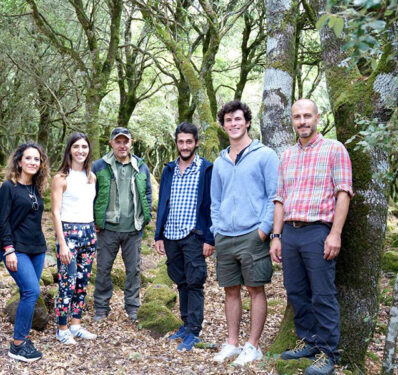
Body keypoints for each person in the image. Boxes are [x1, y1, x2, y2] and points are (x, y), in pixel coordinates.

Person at [270, 99, 353, 375]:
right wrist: (277, 236)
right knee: (296, 292)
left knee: (323, 294)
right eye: (297, 117)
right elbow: (280, 199)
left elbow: (343, 192)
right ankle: (309, 341)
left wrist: (335, 234)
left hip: (318, 232)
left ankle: (328, 354)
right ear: (291, 121)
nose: (302, 121)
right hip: (290, 233)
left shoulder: (334, 150)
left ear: (318, 117)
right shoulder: (287, 156)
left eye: (307, 116)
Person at [209, 101, 279, 366]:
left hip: (253, 233)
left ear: (247, 122)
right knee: (230, 291)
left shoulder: (265, 155)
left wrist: (263, 230)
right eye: (228, 120)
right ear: (224, 125)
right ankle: (232, 343)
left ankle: (253, 346)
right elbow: (215, 201)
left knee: (255, 289)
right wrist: (216, 229)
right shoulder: (219, 162)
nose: (233, 124)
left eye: (238, 119)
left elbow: (274, 196)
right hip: (225, 235)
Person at [154, 122, 214, 352]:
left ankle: (194, 331)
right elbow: (163, 204)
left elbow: (211, 205)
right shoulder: (169, 169)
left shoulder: (206, 169)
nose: (185, 145)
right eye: (181, 141)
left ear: (196, 143)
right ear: (176, 143)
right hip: (171, 235)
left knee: (195, 281)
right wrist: (158, 235)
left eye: (189, 141)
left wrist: (210, 238)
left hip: (194, 235)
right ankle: (186, 324)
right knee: (180, 281)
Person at [92, 127, 152, 322]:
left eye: (125, 141)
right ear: (111, 143)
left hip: (133, 229)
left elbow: (148, 193)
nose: (122, 145)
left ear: (131, 143)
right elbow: (92, 193)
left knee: (133, 270)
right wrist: (95, 219)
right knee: (103, 269)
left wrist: (145, 218)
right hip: (107, 228)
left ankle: (133, 308)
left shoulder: (140, 166)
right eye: (118, 141)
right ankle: (101, 308)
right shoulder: (99, 166)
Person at [0, 142, 50, 362]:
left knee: (28, 293)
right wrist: (7, 249)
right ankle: (17, 344)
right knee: (31, 292)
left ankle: (23, 338)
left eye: (36, 159)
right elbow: (4, 222)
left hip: (37, 250)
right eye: (28, 158)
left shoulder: (36, 188)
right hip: (16, 249)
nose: (32, 162)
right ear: (19, 161)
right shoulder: (8, 187)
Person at [50, 132, 98, 345]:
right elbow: (55, 212)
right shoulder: (61, 177)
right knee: (67, 284)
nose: (81, 150)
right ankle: (62, 328)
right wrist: (61, 243)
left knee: (81, 283)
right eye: (76, 146)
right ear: (69, 149)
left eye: (84, 147)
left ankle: (76, 325)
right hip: (68, 235)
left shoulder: (91, 176)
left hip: (88, 233)